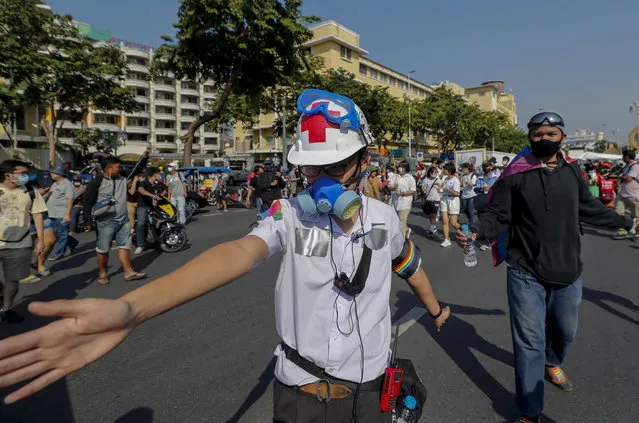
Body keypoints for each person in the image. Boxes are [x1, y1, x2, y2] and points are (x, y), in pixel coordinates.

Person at [0, 90, 451, 422]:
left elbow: (409, 268)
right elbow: (238, 253)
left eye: (334, 168)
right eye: (310, 168)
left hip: (372, 393)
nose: (319, 181)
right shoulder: (288, 213)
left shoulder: (384, 219)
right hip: (303, 398)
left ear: (364, 159)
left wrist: (435, 310)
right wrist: (133, 309)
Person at [456, 112, 637, 423]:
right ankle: (530, 411)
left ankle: (552, 360)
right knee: (529, 341)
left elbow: (589, 208)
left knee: (565, 330)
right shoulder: (515, 173)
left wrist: (626, 221)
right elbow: (499, 214)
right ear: (530, 137)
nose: (544, 139)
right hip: (524, 269)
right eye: (538, 134)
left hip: (568, 269)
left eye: (551, 134)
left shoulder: (573, 171)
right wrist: (476, 231)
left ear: (562, 138)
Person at [83, 158, 147, 285]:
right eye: (117, 167)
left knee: (125, 246)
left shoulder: (123, 178)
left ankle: (128, 272)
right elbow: (87, 201)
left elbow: (137, 169)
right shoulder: (97, 182)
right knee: (103, 250)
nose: (120, 169)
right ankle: (102, 274)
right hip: (105, 222)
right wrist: (87, 221)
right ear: (108, 168)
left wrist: (145, 157)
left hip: (123, 220)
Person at [0, 160, 46, 323]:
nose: (27, 176)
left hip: (20, 243)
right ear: (8, 175)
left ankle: (6, 309)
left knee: (13, 279)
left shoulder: (31, 191)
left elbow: (38, 214)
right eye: (23, 173)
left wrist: (40, 240)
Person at [45, 165, 79, 261]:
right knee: (57, 233)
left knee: (62, 234)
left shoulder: (68, 185)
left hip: (61, 213)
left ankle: (59, 253)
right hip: (51, 213)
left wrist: (67, 214)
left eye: (53, 172)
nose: (51, 174)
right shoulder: (55, 184)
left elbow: (70, 200)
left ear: (58, 174)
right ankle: (72, 243)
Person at [611, 150, 639, 239]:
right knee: (618, 213)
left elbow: (629, 179)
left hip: (633, 195)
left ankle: (636, 231)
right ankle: (622, 231)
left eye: (623, 156)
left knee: (636, 216)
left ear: (627, 157)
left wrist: (615, 177)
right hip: (622, 194)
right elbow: (623, 178)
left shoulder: (636, 166)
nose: (622, 158)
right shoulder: (627, 166)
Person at [135, 168, 162, 254]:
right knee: (141, 224)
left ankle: (155, 241)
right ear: (155, 174)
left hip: (151, 207)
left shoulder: (154, 184)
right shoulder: (144, 182)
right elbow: (140, 190)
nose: (160, 176)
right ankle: (140, 245)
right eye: (159, 174)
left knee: (154, 224)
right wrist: (152, 196)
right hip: (142, 207)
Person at [390, 161, 417, 238]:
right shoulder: (395, 176)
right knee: (395, 221)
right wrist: (393, 187)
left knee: (402, 221)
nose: (399, 168)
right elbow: (390, 187)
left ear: (405, 168)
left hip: (405, 202)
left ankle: (403, 237)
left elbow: (413, 190)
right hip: (395, 201)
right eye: (398, 166)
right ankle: (406, 230)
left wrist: (403, 193)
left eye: (401, 167)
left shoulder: (410, 178)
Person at [438, 163, 461, 247]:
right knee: (445, 221)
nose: (443, 171)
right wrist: (440, 189)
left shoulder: (456, 180)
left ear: (450, 171)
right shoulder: (445, 179)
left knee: (453, 222)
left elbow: (456, 193)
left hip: (453, 200)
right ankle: (447, 239)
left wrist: (447, 188)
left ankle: (465, 232)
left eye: (445, 169)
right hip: (444, 199)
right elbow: (443, 189)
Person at [421, 166, 442, 237]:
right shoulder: (426, 180)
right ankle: (433, 226)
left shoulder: (438, 180)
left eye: (437, 172)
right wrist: (424, 188)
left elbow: (441, 189)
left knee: (433, 215)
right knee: (430, 216)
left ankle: (431, 232)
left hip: (436, 199)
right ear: (430, 173)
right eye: (435, 172)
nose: (436, 173)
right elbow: (423, 189)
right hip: (428, 199)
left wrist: (439, 186)